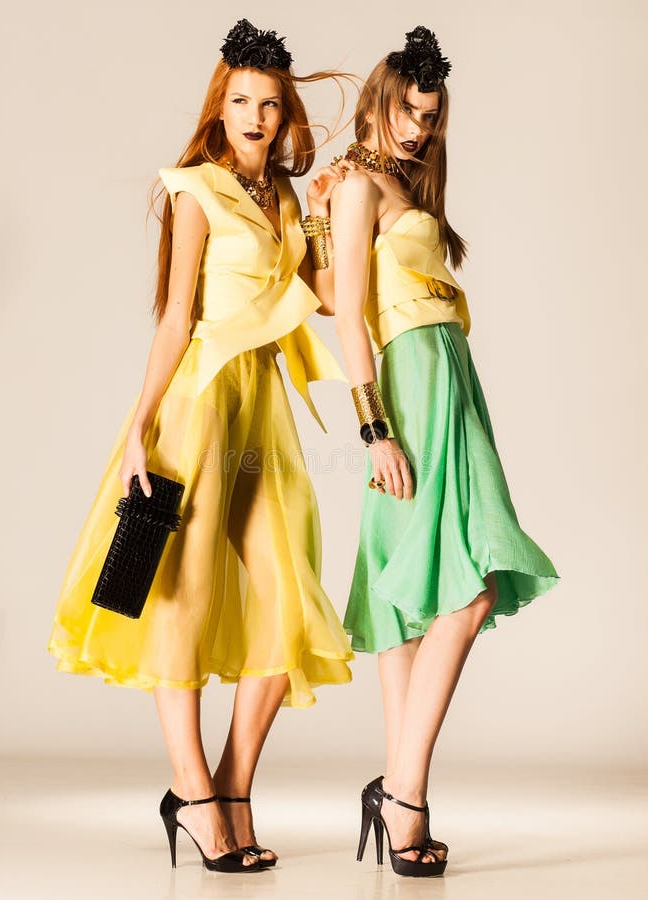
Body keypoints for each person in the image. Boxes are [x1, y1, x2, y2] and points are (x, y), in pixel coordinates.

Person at [47, 18, 353, 873]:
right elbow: (177, 317)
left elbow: (325, 298)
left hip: (263, 411)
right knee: (176, 594)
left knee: (288, 596)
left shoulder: (283, 197)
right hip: (199, 406)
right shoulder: (195, 189)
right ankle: (194, 792)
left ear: (285, 111)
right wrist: (140, 429)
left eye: (270, 103)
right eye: (241, 100)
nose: (256, 116)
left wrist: (322, 215)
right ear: (219, 107)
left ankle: (227, 787)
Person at [310, 25, 560, 877]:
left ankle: (402, 803)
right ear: (380, 98)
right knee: (465, 591)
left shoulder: (396, 186)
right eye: (408, 108)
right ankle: (405, 793)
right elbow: (343, 312)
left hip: (449, 378)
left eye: (431, 115)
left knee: (413, 591)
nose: (418, 127)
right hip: (409, 389)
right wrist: (374, 426)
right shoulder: (357, 187)